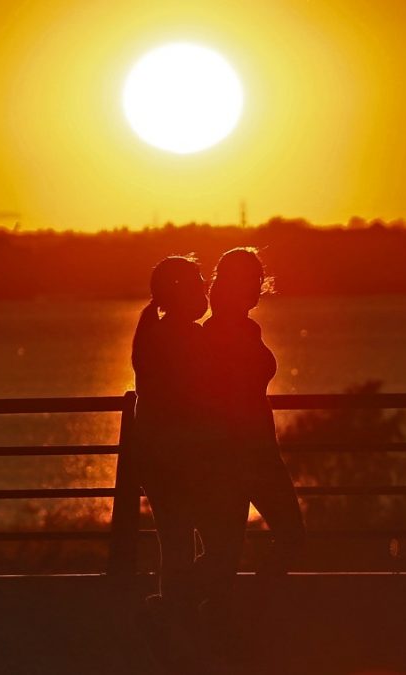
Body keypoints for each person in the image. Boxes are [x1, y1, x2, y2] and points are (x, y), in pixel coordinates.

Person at [198, 247, 306, 605]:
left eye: (259, 280)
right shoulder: (218, 333)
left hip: (258, 452)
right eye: (252, 281)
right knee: (227, 551)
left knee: (275, 538)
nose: (258, 288)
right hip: (235, 455)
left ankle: (238, 608)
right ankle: (197, 613)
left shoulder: (246, 328)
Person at [130, 255, 211, 621]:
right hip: (181, 454)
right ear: (180, 291)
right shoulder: (187, 338)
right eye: (197, 279)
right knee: (207, 540)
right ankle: (184, 609)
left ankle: (174, 607)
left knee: (176, 538)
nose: (205, 286)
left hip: (156, 455)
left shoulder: (153, 335)